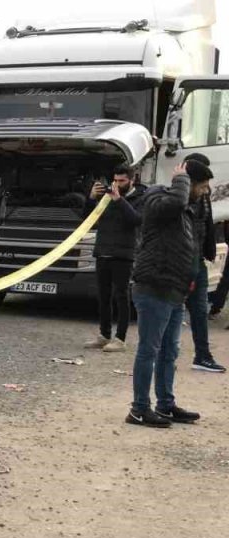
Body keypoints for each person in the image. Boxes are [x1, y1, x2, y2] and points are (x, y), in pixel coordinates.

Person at [127, 162, 205, 428]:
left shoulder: (184, 210)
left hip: (174, 290)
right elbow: (174, 203)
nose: (205, 192)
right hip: (154, 287)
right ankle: (138, 409)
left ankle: (166, 405)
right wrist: (181, 179)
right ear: (187, 183)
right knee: (149, 350)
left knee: (169, 352)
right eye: (202, 186)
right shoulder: (158, 200)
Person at [83, 166, 144, 352]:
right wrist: (91, 198)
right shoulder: (106, 196)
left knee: (122, 296)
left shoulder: (140, 197)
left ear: (132, 180)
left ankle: (120, 338)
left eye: (122, 181)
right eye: (115, 180)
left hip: (123, 254)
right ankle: (104, 334)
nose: (117, 184)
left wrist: (119, 200)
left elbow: (136, 220)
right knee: (103, 296)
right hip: (103, 251)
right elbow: (88, 219)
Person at [182, 153, 225, 372]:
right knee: (170, 313)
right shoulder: (176, 198)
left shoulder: (204, 197)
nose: (207, 188)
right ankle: (160, 354)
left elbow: (206, 226)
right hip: (178, 265)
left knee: (199, 310)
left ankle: (202, 355)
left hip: (197, 261)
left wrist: (208, 252)